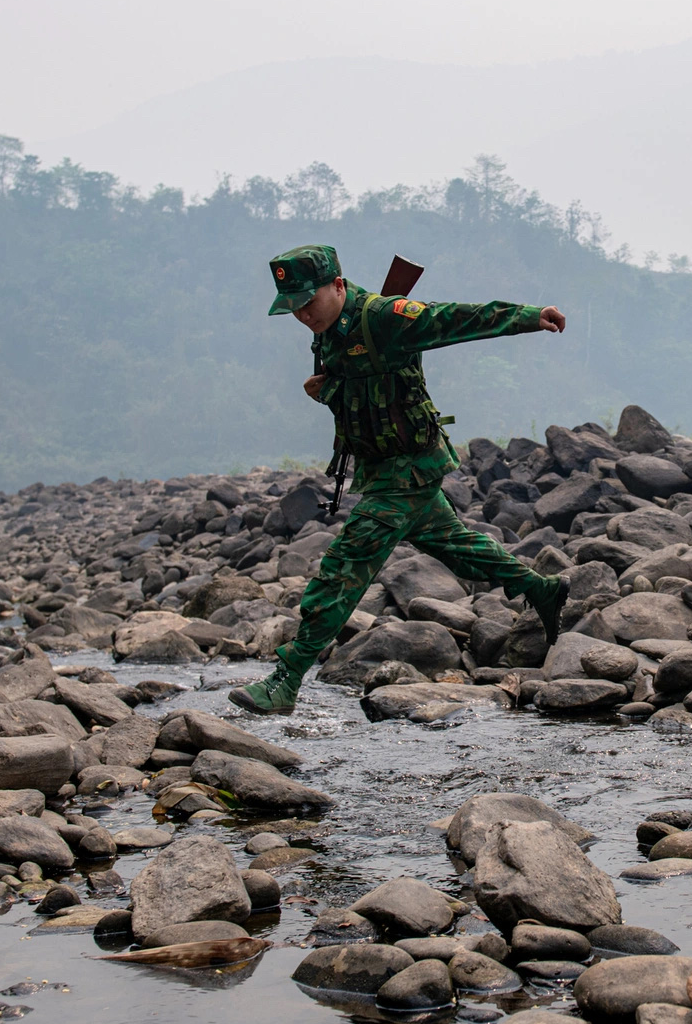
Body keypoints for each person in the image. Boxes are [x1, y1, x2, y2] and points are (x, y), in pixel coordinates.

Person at [230, 245, 569, 715]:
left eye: (309, 301)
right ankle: (543, 590)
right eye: (294, 307)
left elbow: (457, 319)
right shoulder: (327, 332)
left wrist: (530, 316)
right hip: (385, 468)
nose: (303, 314)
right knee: (458, 547)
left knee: (343, 569)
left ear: (339, 285)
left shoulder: (386, 316)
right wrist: (325, 389)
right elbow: (357, 388)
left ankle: (286, 679)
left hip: (406, 471)